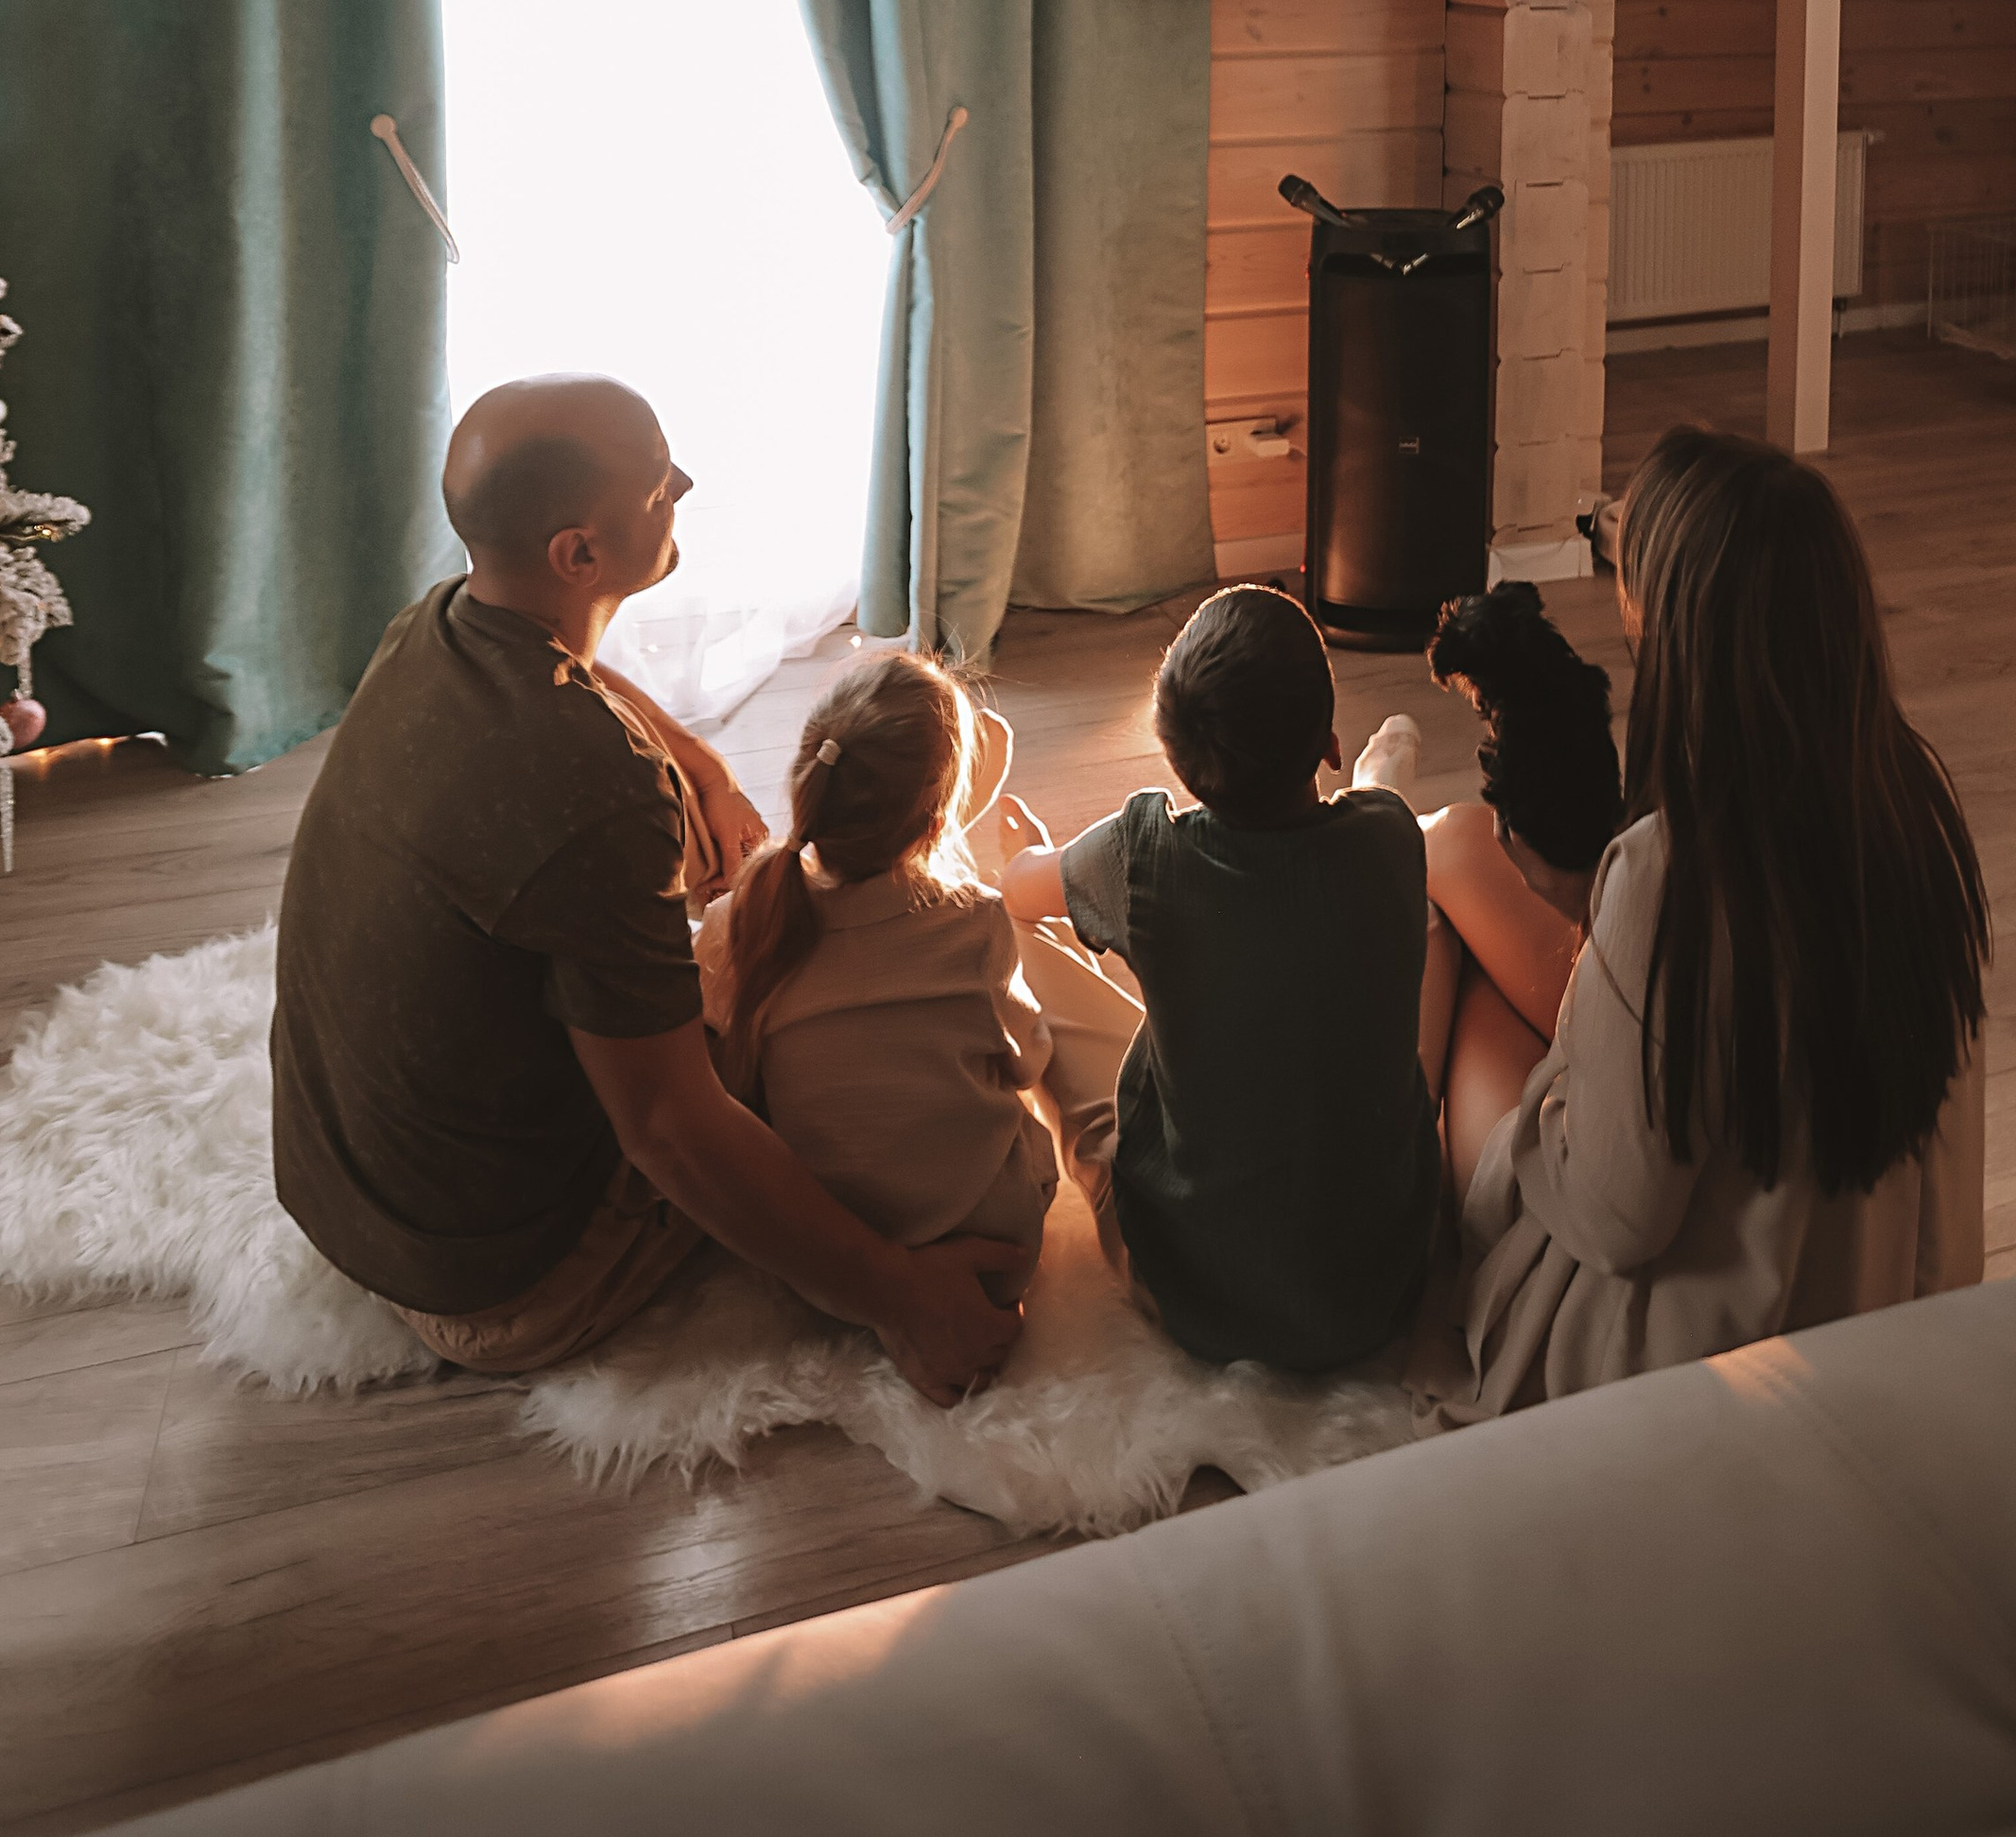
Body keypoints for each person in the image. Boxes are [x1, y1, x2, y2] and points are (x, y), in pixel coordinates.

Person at [270, 375, 1025, 1403]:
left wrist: (703, 771)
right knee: (812, 1009)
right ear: (578, 555)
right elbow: (669, 1130)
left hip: (337, 1186)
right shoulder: (591, 794)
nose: (684, 484)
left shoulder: (435, 623)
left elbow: (581, 679)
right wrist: (900, 1295)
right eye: (659, 487)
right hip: (496, 1284)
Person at [1414, 426, 1989, 1417]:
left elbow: (1614, 1215)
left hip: (1699, 1375)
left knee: (1473, 985)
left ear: (1674, 632)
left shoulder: (1676, 870)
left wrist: (1549, 1105)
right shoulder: (1915, 811)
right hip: (1880, 1310)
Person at [998, 585, 1439, 1373]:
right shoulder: (1390, 840)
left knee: (1023, 955)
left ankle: (1105, 1167)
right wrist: (1377, 787)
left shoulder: (1137, 855)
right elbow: (1368, 829)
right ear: (1328, 745)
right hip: (1380, 1289)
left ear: (1175, 756)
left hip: (1196, 1296)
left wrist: (1036, 850)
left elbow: (1017, 890)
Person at [697, 652, 1058, 1295]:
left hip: (823, 1264)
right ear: (938, 822)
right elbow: (1026, 1063)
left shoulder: (740, 923)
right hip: (994, 1252)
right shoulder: (978, 924)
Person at [1373, 581, 1626, 1199]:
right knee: (1460, 876)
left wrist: (1576, 899)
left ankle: (1382, 813)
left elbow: (1626, 1207)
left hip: (1577, 1212)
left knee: (1454, 902)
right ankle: (1386, 813)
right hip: (1635, 1102)